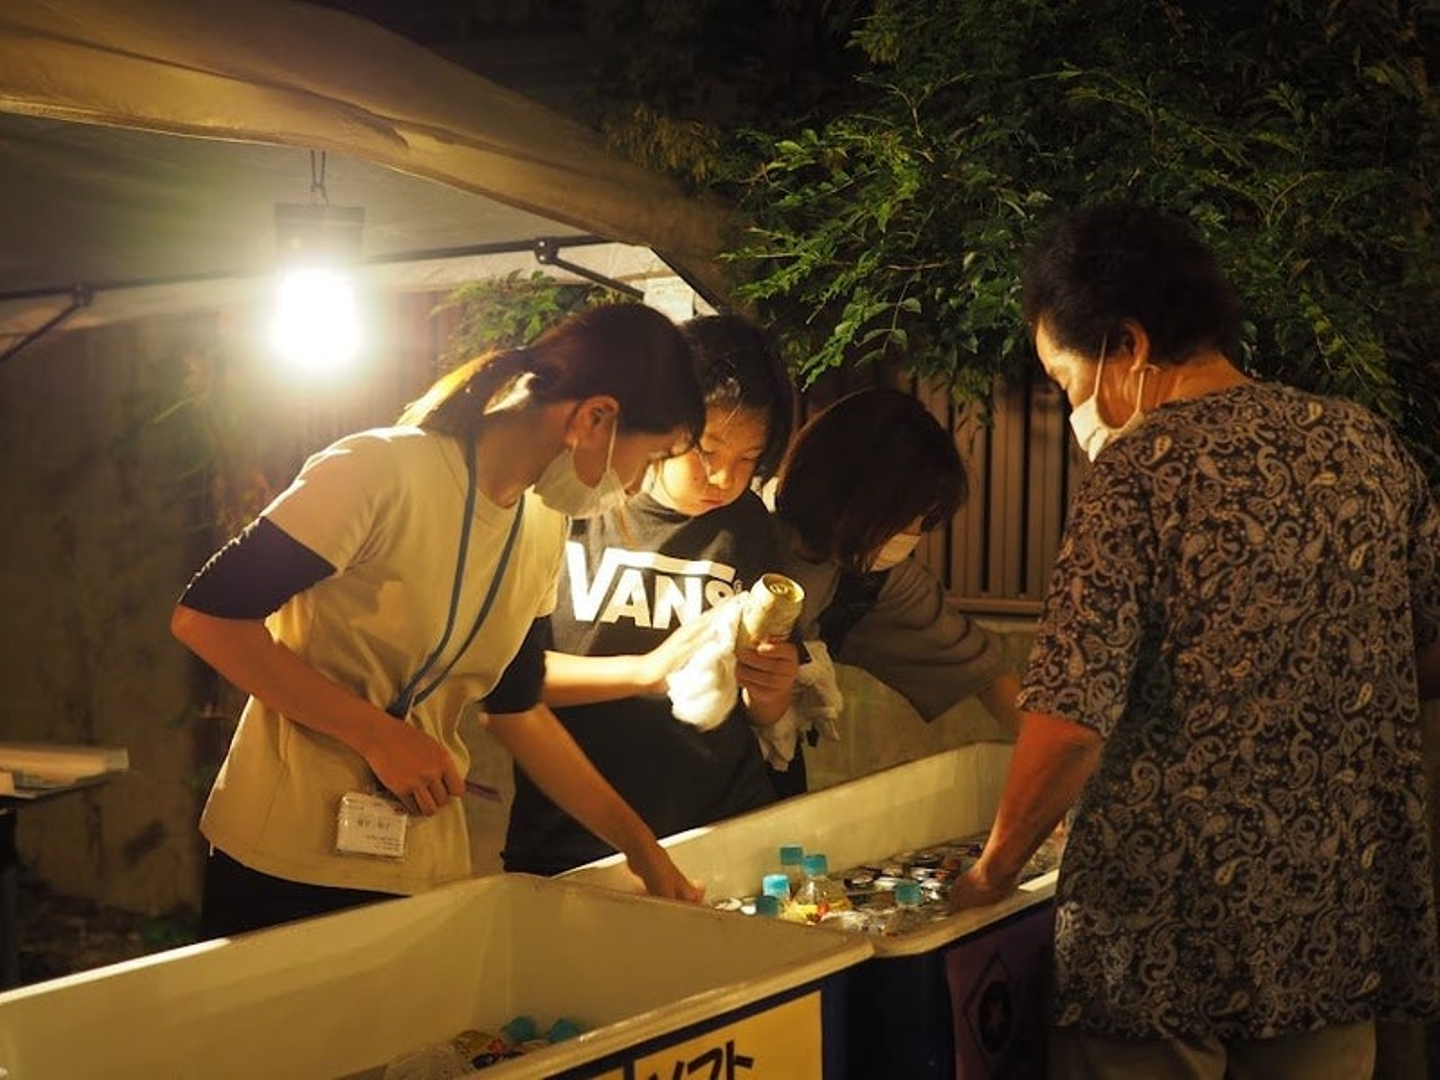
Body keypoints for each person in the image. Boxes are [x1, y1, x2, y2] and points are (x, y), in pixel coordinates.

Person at [948, 200, 1440, 1078]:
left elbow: (1070, 721)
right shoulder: (1364, 445)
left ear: (1127, 345)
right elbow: (1430, 649)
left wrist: (992, 872)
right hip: (1332, 926)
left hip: (1158, 944)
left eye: (1065, 379)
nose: (1074, 406)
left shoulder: (1140, 476)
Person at [171, 303, 709, 939]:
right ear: (594, 418)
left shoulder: (543, 524)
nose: (636, 486)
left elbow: (516, 708)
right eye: (647, 459)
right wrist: (377, 734)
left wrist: (640, 848)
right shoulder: (378, 470)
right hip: (282, 857)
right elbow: (208, 618)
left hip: (421, 864)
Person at [503, 313, 800, 876]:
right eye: (707, 451)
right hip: (573, 838)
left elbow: (764, 709)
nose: (724, 479)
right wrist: (646, 670)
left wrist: (773, 690)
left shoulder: (748, 525)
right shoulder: (571, 505)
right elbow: (506, 682)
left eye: (748, 459)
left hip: (722, 829)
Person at [767, 386, 1022, 796]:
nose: (914, 533)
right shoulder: (740, 526)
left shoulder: (875, 580)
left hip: (770, 775)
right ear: (854, 494)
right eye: (907, 517)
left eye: (924, 520)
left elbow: (985, 673)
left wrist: (1057, 774)